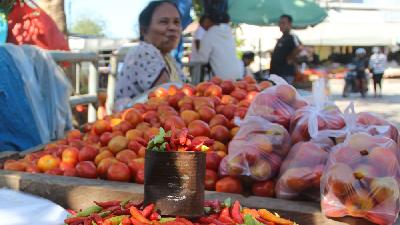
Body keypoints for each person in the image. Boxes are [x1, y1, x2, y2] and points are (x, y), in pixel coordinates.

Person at [115, 0, 183, 102]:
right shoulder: (144, 52)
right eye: (164, 22)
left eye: (176, 22)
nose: (173, 27)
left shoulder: (168, 58)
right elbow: (170, 98)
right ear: (144, 30)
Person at [190, 13, 242, 80]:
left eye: (202, 24)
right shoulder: (228, 32)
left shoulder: (209, 35)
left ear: (207, 20)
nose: (203, 28)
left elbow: (202, 59)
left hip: (222, 79)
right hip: (238, 74)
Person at [269, 14, 303, 84]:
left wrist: (290, 58)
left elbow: (300, 47)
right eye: (280, 23)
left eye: (283, 23)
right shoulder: (283, 37)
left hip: (285, 74)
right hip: (277, 74)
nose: (280, 25)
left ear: (290, 24)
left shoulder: (292, 36)